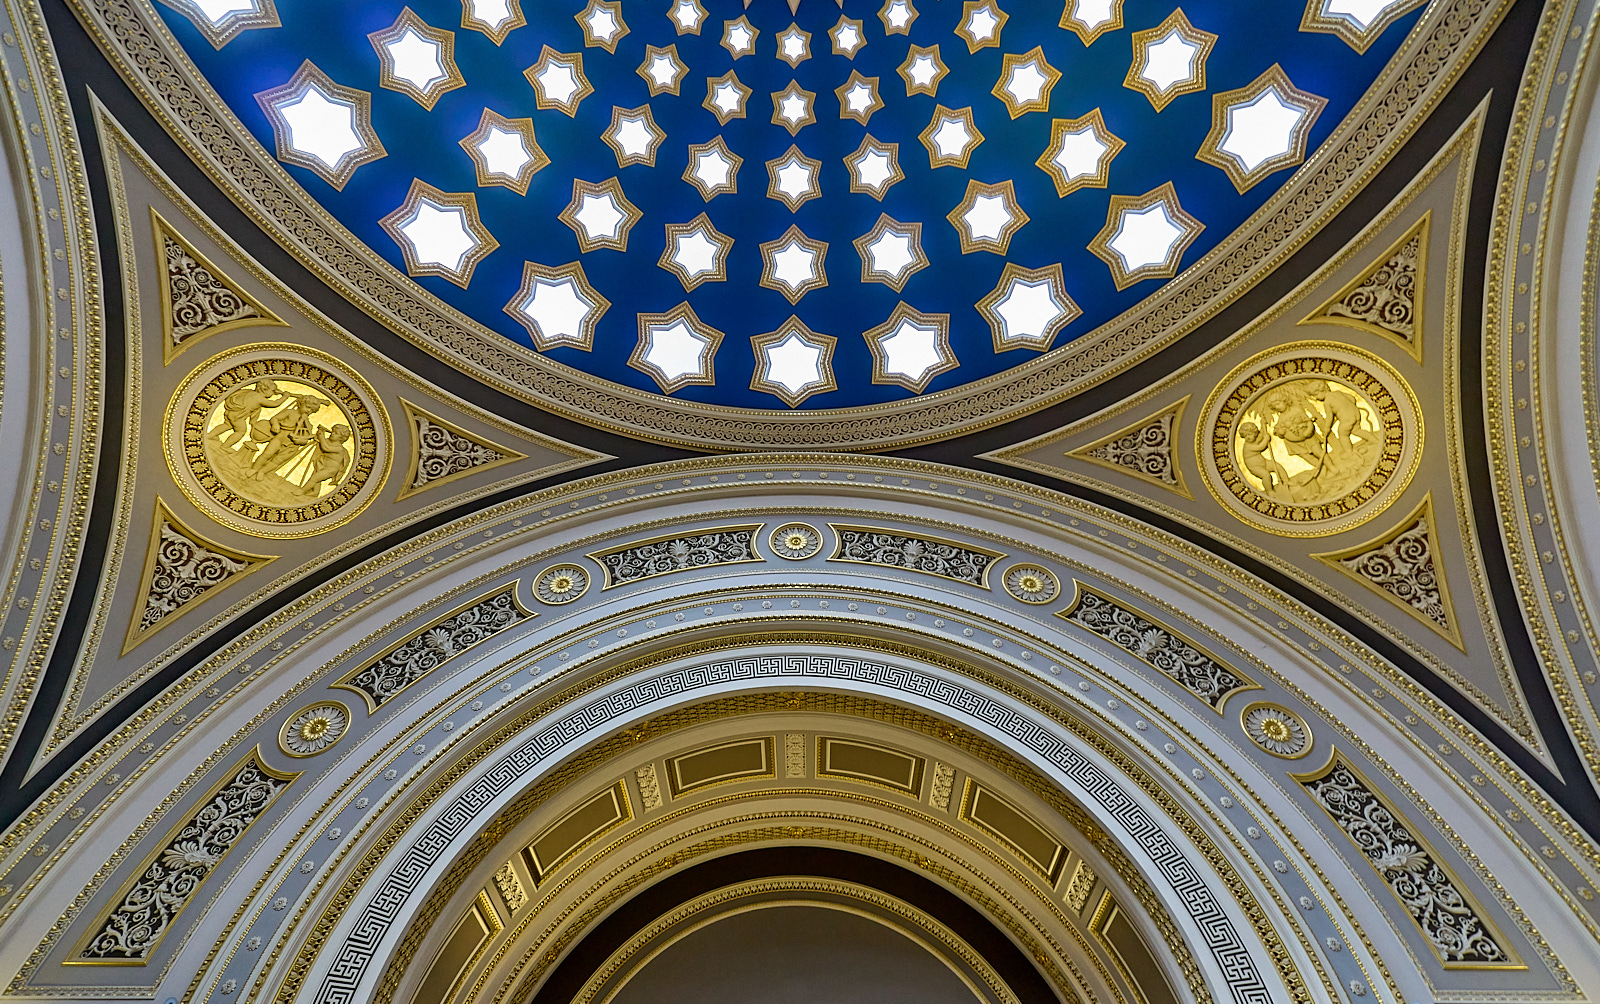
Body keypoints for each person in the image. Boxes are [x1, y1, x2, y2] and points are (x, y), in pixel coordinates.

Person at [249, 392, 328, 479]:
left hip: (291, 446)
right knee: (267, 454)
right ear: (301, 404)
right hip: (279, 438)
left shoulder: (308, 425)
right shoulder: (290, 412)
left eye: (312, 410)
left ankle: (262, 471)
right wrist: (275, 425)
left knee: (277, 461)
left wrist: (299, 440)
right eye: (307, 407)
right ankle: (254, 469)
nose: (309, 411)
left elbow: (305, 439)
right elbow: (275, 418)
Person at [208, 379, 283, 448]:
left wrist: (276, 392)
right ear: (264, 390)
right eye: (273, 391)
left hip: (232, 412)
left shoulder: (251, 392)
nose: (274, 393)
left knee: (227, 425)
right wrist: (285, 396)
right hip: (238, 416)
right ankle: (225, 446)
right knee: (241, 431)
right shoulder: (260, 399)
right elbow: (275, 403)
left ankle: (210, 435)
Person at [1237, 421, 1293, 501]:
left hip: (1264, 463)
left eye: (1250, 434)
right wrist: (1266, 439)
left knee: (1277, 466)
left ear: (1255, 433)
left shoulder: (1255, 440)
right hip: (1255, 467)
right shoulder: (1248, 446)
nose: (1248, 437)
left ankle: (1287, 481)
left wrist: (1263, 426)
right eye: (1245, 436)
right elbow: (1260, 447)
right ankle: (1269, 491)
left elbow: (1261, 436)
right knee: (1266, 475)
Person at [300, 424, 352, 496]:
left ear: (341, 438)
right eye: (333, 431)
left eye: (335, 433)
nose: (332, 434)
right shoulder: (328, 441)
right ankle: (315, 492)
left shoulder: (339, 448)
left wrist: (322, 437)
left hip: (330, 470)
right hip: (322, 465)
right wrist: (319, 434)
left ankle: (302, 491)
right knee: (317, 478)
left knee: (315, 478)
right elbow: (322, 442)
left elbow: (326, 448)